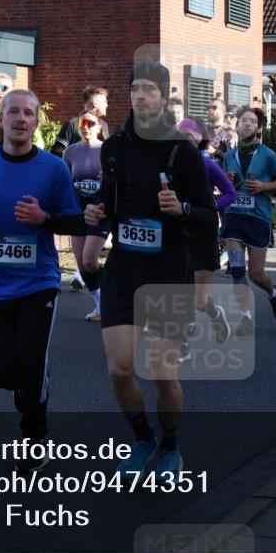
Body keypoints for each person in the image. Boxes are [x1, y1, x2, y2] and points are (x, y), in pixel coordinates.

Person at [84, 59, 216, 480]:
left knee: (163, 374)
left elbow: (208, 217)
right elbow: (107, 200)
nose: (140, 96)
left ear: (163, 97)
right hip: (123, 268)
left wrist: (183, 209)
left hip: (168, 269)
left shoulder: (183, 151)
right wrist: (96, 212)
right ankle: (143, 441)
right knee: (119, 369)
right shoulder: (115, 146)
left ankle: (172, 448)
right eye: (135, 88)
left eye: (149, 90)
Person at [0, 88, 84, 472]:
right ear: (0, 120)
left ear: (36, 122)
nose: (19, 119)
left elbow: (73, 220)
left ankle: (34, 439)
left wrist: (44, 219)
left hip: (40, 282)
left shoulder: (54, 168)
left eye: (28, 113)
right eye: (12, 112)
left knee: (31, 364)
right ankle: (29, 384)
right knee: (0, 371)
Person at [221, 108, 276, 336]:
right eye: (243, 121)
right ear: (237, 126)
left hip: (258, 218)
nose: (247, 125)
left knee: (256, 274)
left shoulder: (268, 154)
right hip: (234, 218)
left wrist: (263, 187)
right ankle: (245, 318)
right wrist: (226, 180)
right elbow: (222, 185)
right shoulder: (229, 156)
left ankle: (273, 293)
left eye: (252, 121)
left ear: (258, 128)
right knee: (238, 269)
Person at [176, 121, 236, 361]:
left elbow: (230, 193)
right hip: (179, 234)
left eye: (187, 137)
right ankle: (182, 343)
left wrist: (212, 206)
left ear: (197, 140)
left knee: (197, 299)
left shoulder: (208, 165)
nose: (182, 140)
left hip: (203, 234)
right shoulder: (171, 166)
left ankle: (214, 313)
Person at [63, 112, 109, 321]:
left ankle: (112, 298)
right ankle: (101, 304)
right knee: (81, 262)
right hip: (79, 211)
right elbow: (65, 182)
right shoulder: (71, 151)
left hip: (101, 211)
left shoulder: (107, 150)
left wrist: (108, 177)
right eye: (82, 123)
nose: (86, 127)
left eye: (91, 123)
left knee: (90, 259)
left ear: (99, 127)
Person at [52, 86, 111, 157]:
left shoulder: (104, 125)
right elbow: (57, 151)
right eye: (105, 101)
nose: (107, 105)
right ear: (95, 103)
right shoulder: (73, 124)